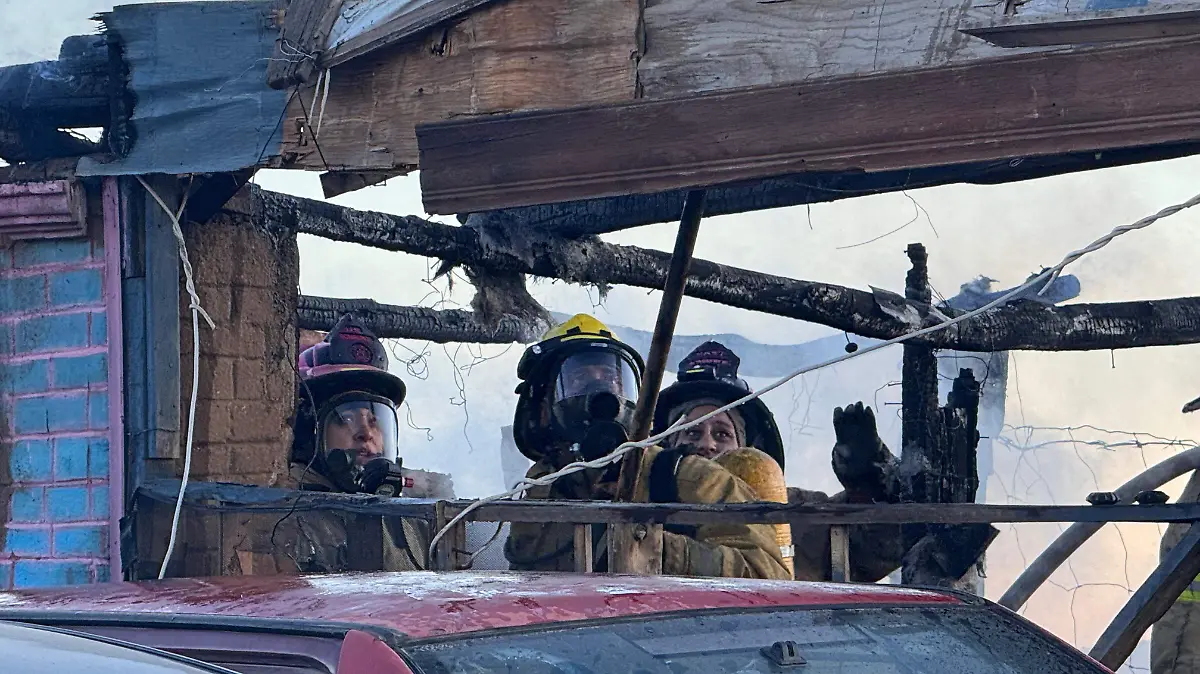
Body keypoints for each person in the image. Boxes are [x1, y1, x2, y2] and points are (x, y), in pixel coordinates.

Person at [503, 315, 791, 579]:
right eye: (579, 380)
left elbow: (769, 577)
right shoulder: (540, 489)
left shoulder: (690, 478)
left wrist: (657, 548)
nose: (603, 395)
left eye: (614, 380)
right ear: (542, 408)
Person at [652, 341, 905, 582]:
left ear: (748, 449)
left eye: (722, 434)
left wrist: (870, 481)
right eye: (692, 433)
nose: (707, 444)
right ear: (668, 446)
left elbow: (884, 546)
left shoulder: (793, 514)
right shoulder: (642, 508)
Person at [275, 315, 443, 573]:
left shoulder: (413, 516)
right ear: (311, 432)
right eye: (347, 418)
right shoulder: (284, 518)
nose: (366, 433)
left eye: (375, 420)